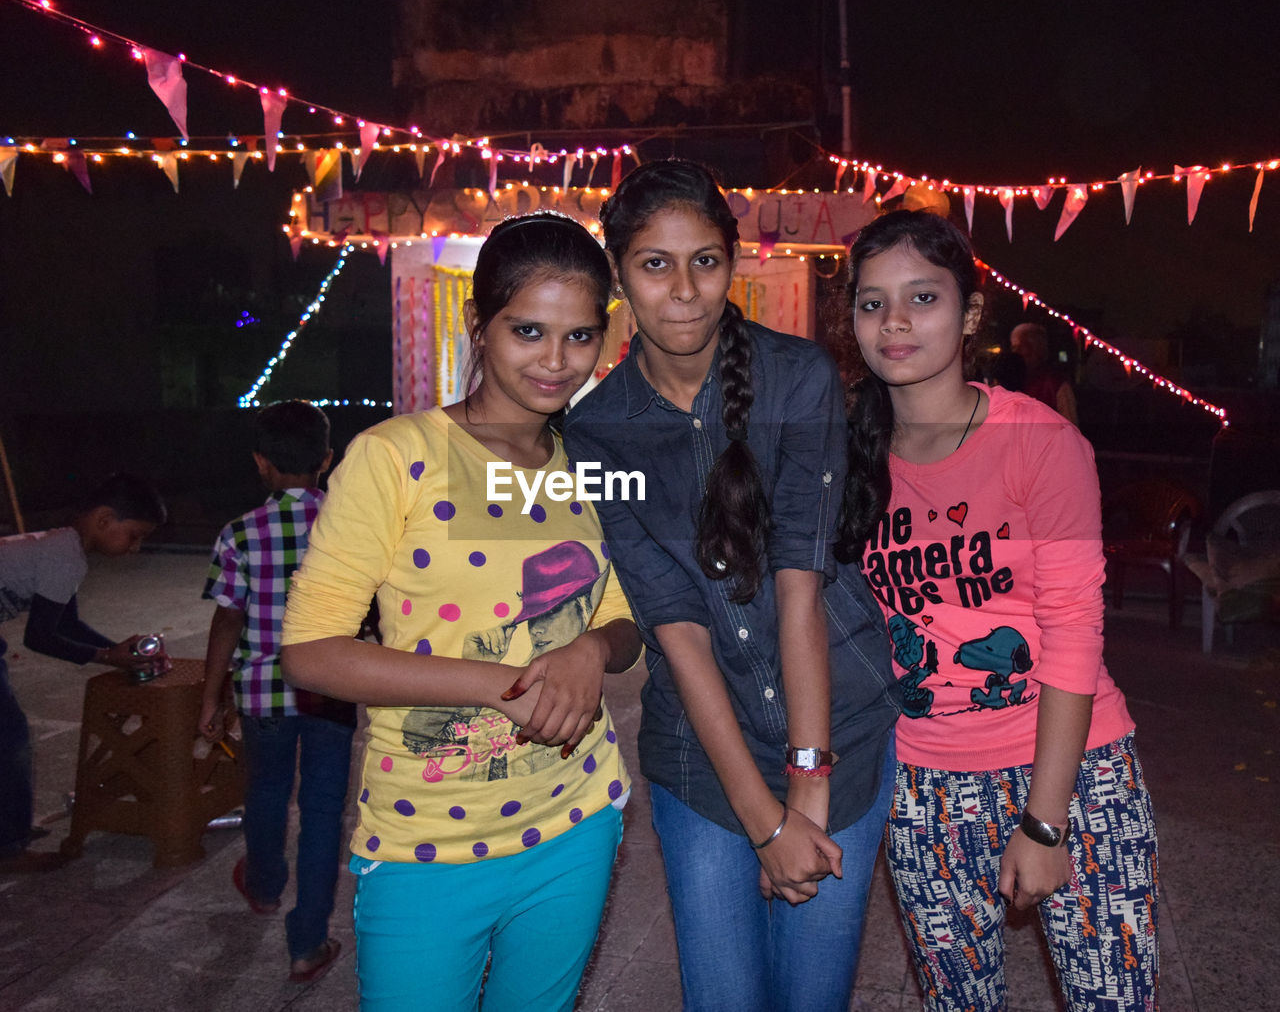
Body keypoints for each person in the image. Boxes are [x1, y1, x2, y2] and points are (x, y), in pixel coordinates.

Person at [279, 212, 641, 1012]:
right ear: (479, 327)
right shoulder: (395, 456)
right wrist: (496, 683)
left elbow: (621, 615)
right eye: (529, 330)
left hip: (576, 820)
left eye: (580, 337)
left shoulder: (588, 463)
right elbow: (309, 651)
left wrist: (591, 651)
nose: (555, 361)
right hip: (425, 840)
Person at [563, 159, 901, 1012]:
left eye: (705, 261)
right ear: (619, 278)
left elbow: (800, 585)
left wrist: (808, 787)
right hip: (704, 758)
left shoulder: (798, 378)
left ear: (733, 264)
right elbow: (674, 626)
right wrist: (763, 819)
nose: (684, 291)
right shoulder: (598, 431)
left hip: (840, 734)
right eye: (654, 264)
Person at [840, 209, 1158, 1011]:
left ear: (970, 313)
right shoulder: (845, 456)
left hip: (1072, 774)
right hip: (924, 785)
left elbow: (1077, 632)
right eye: (872, 303)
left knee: (1110, 999)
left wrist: (1046, 823)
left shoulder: (1040, 442)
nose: (896, 322)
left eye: (923, 297)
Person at [197, 399, 355, 985]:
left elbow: (226, 621)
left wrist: (211, 699)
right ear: (328, 460)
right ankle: (308, 943)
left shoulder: (240, 533)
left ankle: (263, 887)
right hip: (330, 688)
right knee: (321, 811)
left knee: (264, 791)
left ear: (261, 464)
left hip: (262, 692)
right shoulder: (350, 527)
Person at [0, 474, 166, 873]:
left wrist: (116, 651)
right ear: (105, 519)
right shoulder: (65, 555)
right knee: (11, 740)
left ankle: (9, 831)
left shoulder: (63, 547)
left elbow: (65, 624)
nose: (135, 548)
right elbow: (40, 637)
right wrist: (110, 658)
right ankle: (9, 848)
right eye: (134, 535)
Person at [1010, 321, 1079, 425]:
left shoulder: (1056, 384)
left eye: (1022, 346)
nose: (1016, 352)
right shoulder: (1010, 380)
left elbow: (1070, 428)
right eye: (1014, 347)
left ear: (1037, 348)